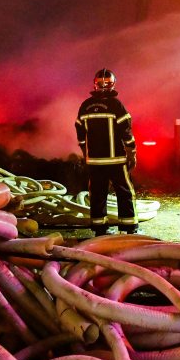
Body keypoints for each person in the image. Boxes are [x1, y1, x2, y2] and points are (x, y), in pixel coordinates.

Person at [75, 68, 138, 237]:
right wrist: (132, 153)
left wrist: (85, 153)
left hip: (95, 161)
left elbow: (80, 134)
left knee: (97, 194)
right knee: (124, 192)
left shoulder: (85, 106)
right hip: (116, 159)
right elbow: (126, 132)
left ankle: (100, 229)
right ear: (113, 84)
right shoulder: (116, 105)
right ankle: (129, 227)